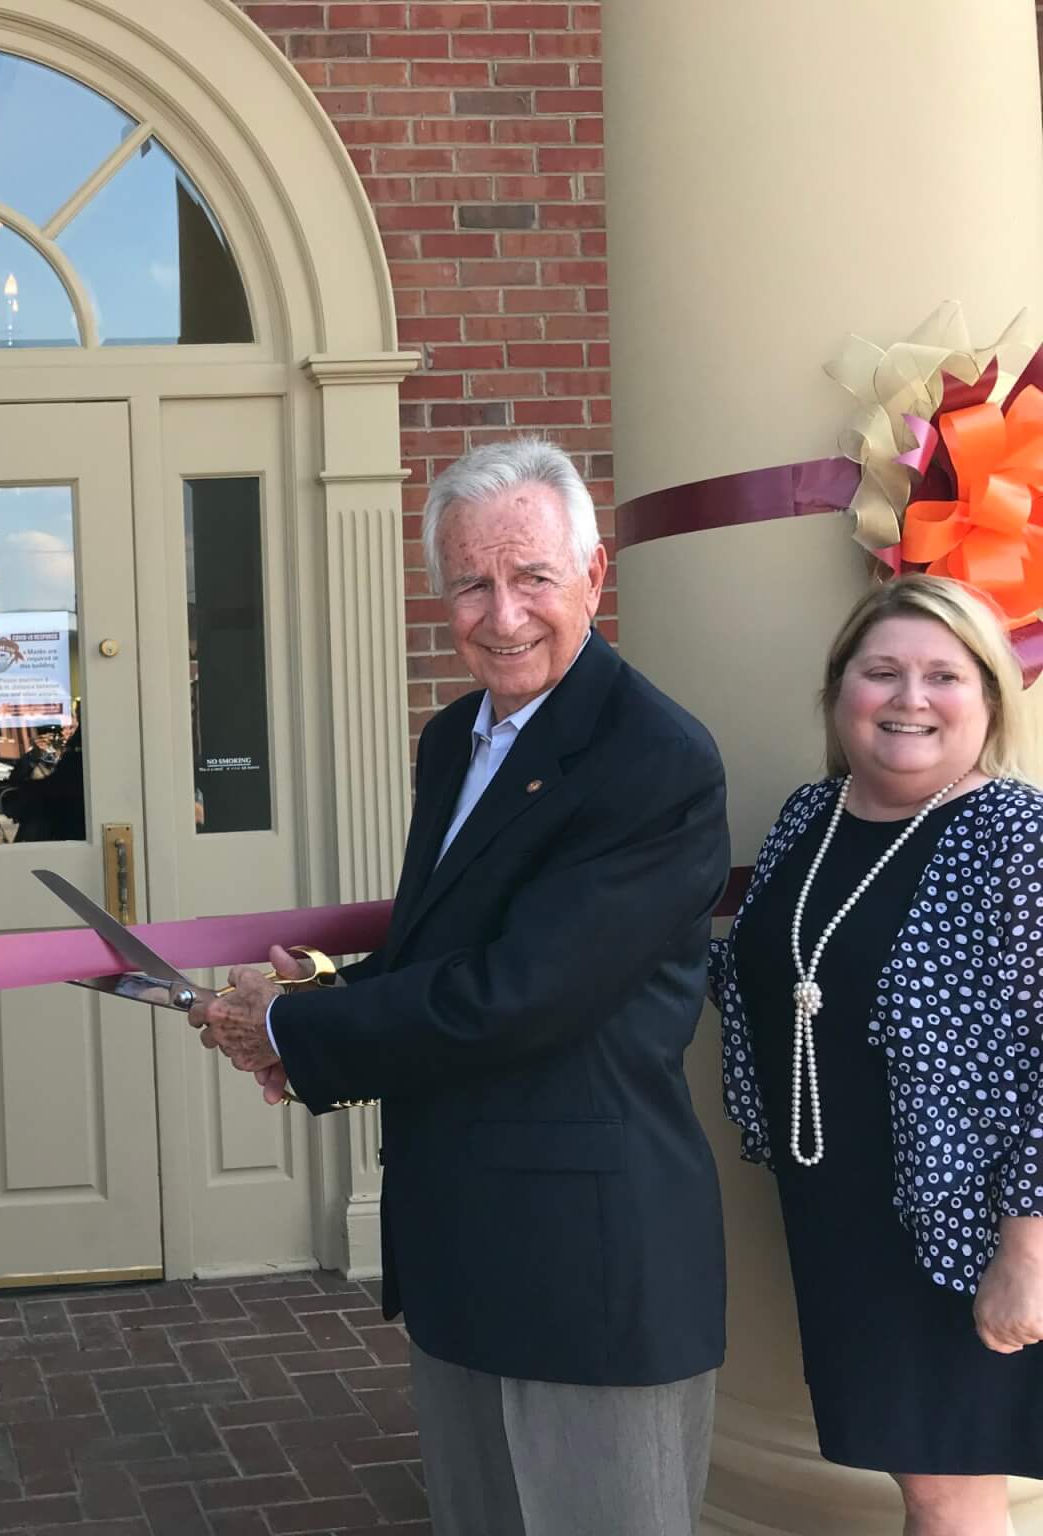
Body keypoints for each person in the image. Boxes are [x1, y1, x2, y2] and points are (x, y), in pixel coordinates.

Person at [192, 438, 730, 1536]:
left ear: (592, 575)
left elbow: (521, 993)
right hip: (460, 1239)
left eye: (531, 576)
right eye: (469, 583)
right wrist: (331, 988)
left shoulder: (652, 759)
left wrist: (300, 1031)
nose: (502, 612)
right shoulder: (453, 738)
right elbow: (458, 948)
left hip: (586, 1266)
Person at [715, 574, 1043, 1535]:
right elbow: (762, 978)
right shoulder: (807, 820)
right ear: (838, 689)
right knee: (921, 1485)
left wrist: (1028, 1246)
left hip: (959, 1228)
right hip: (840, 1213)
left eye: (945, 675)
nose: (909, 698)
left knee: (952, 1492)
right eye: (882, 671)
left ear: (988, 698)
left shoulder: (1014, 836)